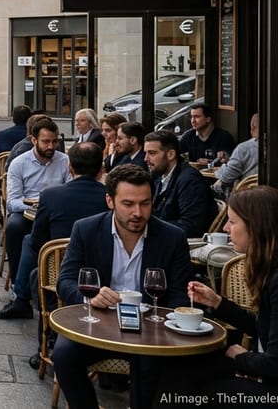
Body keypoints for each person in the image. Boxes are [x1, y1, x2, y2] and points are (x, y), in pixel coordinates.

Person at [52, 164, 196, 409]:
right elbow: (64, 282)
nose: (138, 212)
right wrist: (91, 298)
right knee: (63, 354)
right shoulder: (86, 229)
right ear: (110, 201)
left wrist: (159, 319)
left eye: (145, 203)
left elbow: (179, 295)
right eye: (128, 204)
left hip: (151, 331)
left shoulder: (172, 237)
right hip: (99, 326)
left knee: (152, 364)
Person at [175, 185, 278, 402]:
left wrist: (239, 356)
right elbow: (267, 327)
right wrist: (218, 303)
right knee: (185, 369)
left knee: (189, 391)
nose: (226, 228)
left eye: (232, 221)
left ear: (257, 227)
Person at [0, 141, 107, 320]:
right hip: (102, 267)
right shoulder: (110, 197)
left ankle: (21, 300)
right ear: (101, 169)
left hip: (58, 267)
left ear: (70, 167)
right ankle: (21, 299)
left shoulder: (51, 195)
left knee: (30, 240)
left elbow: (38, 240)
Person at [4, 117, 69, 284]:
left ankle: (59, 278)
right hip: (28, 211)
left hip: (57, 211)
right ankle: (17, 281)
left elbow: (70, 189)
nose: (51, 146)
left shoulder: (65, 161)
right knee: (14, 226)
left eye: (55, 141)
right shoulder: (19, 163)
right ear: (34, 140)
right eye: (46, 141)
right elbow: (12, 202)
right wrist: (32, 203)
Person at [144, 129, 215, 238]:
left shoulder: (190, 181)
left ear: (171, 154)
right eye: (146, 153)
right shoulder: (158, 176)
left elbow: (190, 226)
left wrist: (149, 228)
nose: (146, 159)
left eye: (152, 153)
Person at [214, 113, 259, 198]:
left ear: (252, 127)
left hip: (248, 198)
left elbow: (227, 176)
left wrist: (222, 167)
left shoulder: (244, 148)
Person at [178, 102, 236, 167]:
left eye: (197, 117)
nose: (192, 121)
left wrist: (210, 163)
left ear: (208, 119)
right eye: (192, 117)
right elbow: (174, 152)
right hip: (194, 175)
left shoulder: (223, 137)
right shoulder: (189, 135)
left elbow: (229, 162)